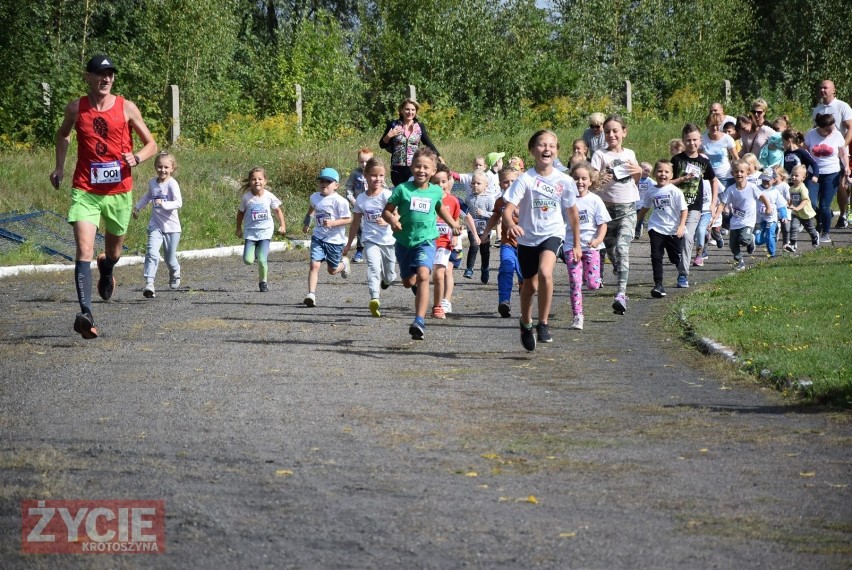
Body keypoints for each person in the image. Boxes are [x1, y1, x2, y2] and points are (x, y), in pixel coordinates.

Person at [50, 54, 158, 339]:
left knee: (114, 253)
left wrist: (137, 158)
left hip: (119, 192)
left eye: (110, 74)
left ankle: (106, 268)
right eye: (100, 73)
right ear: (88, 77)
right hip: (85, 190)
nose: (106, 78)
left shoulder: (126, 108)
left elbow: (152, 144)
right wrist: (60, 167)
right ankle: (86, 314)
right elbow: (63, 136)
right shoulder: (76, 108)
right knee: (83, 250)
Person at [502, 130, 581, 350]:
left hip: (552, 233)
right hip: (527, 237)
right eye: (541, 145)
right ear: (532, 150)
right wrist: (511, 224)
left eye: (551, 146)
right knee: (529, 285)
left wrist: (576, 243)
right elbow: (507, 210)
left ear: (557, 151)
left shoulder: (564, 180)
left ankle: (543, 323)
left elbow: (572, 213)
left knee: (546, 273)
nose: (547, 149)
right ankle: (526, 322)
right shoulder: (525, 179)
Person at [382, 147, 461, 340]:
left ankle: (419, 320)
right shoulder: (402, 189)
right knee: (409, 282)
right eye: (417, 166)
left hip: (426, 241)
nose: (421, 171)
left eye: (426, 167)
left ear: (433, 171)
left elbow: (440, 209)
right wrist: (393, 221)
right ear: (411, 167)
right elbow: (386, 211)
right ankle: (416, 288)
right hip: (403, 241)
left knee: (424, 275)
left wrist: (453, 224)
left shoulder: (435, 191)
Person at [591, 116, 643, 314]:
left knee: (622, 248)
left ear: (624, 132)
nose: (611, 135)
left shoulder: (630, 153)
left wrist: (638, 171)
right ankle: (620, 271)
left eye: (615, 131)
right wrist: (600, 177)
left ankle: (621, 293)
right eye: (607, 131)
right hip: (606, 210)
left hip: (628, 208)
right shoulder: (599, 155)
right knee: (612, 251)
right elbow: (592, 181)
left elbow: (636, 180)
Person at [343, 157, 397, 317]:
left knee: (389, 274)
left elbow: (397, 214)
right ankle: (374, 297)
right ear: (365, 176)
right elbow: (355, 223)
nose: (377, 179)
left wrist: (388, 220)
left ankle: (386, 281)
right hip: (370, 239)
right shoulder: (361, 199)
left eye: (381, 176)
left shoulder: (387, 195)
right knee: (373, 267)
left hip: (388, 240)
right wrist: (348, 244)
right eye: (374, 175)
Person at [564, 162, 609, 330]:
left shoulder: (595, 200)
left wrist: (598, 240)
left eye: (584, 178)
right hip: (571, 246)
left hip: (591, 247)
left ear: (591, 181)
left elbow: (603, 224)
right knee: (575, 283)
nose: (580, 182)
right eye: (576, 178)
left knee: (593, 284)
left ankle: (586, 276)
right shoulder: (567, 201)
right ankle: (577, 316)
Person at [671, 123, 717, 286]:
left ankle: (683, 274)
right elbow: (667, 182)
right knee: (673, 240)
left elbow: (713, 180)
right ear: (683, 141)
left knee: (687, 237)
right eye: (688, 140)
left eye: (695, 140)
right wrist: (681, 179)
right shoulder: (677, 160)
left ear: (700, 140)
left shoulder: (703, 162)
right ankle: (678, 259)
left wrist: (713, 204)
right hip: (675, 207)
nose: (692, 143)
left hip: (693, 208)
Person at [132, 151, 182, 298]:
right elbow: (148, 196)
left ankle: (175, 271)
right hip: (156, 224)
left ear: (172, 168)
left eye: (166, 167)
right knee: (152, 252)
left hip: (172, 227)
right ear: (155, 167)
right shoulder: (152, 183)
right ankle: (149, 283)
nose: (163, 170)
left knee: (169, 258)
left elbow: (178, 203)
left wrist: (164, 204)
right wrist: (138, 207)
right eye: (160, 167)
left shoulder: (172, 184)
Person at [636, 160, 688, 298]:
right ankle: (658, 285)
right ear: (654, 174)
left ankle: (682, 272)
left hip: (673, 229)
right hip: (656, 227)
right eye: (659, 171)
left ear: (671, 175)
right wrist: (635, 221)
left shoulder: (675, 191)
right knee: (656, 256)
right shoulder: (651, 190)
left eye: (666, 172)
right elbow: (645, 207)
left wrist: (681, 226)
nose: (662, 174)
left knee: (674, 257)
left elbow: (684, 210)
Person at [302, 168, 351, 306]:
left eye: (328, 182)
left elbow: (348, 219)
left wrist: (333, 223)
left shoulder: (340, 201)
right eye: (322, 181)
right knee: (314, 265)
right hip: (318, 237)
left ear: (336, 185)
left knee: (332, 270)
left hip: (334, 241)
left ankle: (344, 264)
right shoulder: (314, 197)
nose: (324, 184)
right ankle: (311, 294)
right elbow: (311, 209)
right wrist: (307, 223)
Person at [713, 159, 772, 271]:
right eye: (736, 172)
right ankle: (740, 261)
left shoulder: (752, 187)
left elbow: (762, 196)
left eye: (741, 171)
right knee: (733, 245)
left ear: (747, 173)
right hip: (735, 221)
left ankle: (750, 240)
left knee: (744, 240)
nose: (739, 174)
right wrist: (716, 216)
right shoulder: (731, 190)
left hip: (748, 221)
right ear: (732, 174)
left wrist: (768, 207)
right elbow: (722, 203)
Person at [481, 167, 522, 318]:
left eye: (513, 181)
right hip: (508, 243)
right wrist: (486, 233)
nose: (510, 184)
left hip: (526, 245)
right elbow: (495, 217)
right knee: (506, 267)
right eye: (506, 181)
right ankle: (504, 301)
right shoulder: (500, 201)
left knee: (524, 277)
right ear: (500, 184)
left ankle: (525, 297)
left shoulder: (526, 198)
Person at [236, 167, 286, 292]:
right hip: (251, 232)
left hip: (265, 231)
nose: (257, 181)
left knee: (262, 259)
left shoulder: (269, 196)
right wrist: (238, 228)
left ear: (265, 181)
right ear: (249, 181)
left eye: (260, 179)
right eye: (253, 179)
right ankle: (256, 250)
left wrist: (282, 225)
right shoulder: (246, 198)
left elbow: (277, 211)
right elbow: (240, 213)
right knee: (248, 260)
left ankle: (263, 282)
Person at [812, 80, 852, 227]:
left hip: (839, 152)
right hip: (821, 154)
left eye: (825, 87)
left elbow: (850, 129)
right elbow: (815, 131)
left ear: (833, 90)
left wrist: (842, 147)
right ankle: (824, 213)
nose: (822, 90)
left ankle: (842, 215)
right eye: (821, 87)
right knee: (821, 184)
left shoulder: (842, 106)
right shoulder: (817, 109)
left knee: (841, 184)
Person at [429, 163, 466, 319]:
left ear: (448, 181)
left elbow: (456, 219)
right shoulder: (428, 199)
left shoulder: (453, 201)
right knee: (424, 273)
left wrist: (455, 236)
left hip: (446, 242)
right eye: (436, 182)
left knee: (444, 272)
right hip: (429, 242)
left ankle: (445, 301)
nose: (440, 185)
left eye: (443, 182)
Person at [379, 98, 441, 186]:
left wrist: (440, 159)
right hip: (398, 167)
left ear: (416, 112)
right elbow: (382, 144)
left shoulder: (419, 126)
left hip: (414, 166)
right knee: (400, 191)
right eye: (407, 109)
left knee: (413, 190)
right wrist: (389, 135)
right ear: (401, 110)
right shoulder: (393, 124)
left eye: (413, 110)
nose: (410, 112)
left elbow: (428, 144)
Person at [462, 171, 495, 283]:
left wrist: (484, 213)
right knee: (474, 245)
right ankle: (469, 269)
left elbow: (494, 215)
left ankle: (485, 269)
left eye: (478, 183)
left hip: (485, 229)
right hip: (473, 229)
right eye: (473, 183)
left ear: (486, 185)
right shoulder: (468, 198)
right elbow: (466, 214)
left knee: (484, 251)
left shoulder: (489, 199)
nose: (475, 185)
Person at [344, 148, 373, 263]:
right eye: (361, 161)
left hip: (372, 205)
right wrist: (352, 199)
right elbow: (348, 187)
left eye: (367, 162)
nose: (364, 164)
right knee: (360, 227)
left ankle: (375, 248)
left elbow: (382, 185)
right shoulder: (355, 174)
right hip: (359, 205)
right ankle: (360, 250)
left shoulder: (374, 172)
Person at [785, 165, 821, 252]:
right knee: (794, 227)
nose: (793, 177)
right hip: (796, 213)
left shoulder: (803, 188)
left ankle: (815, 236)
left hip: (805, 212)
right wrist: (789, 204)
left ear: (803, 178)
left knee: (809, 228)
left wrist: (797, 208)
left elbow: (805, 200)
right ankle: (793, 244)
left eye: (796, 175)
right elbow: (791, 199)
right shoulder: (791, 188)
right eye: (792, 175)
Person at [752, 168, 787, 258]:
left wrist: (784, 215)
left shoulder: (775, 192)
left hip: (771, 218)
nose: (765, 182)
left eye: (768, 180)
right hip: (759, 218)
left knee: (769, 236)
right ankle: (771, 237)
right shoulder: (756, 189)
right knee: (757, 240)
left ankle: (772, 254)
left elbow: (781, 205)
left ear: (774, 180)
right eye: (763, 180)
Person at [702, 113, 739, 188]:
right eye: (712, 125)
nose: (715, 128)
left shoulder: (727, 139)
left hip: (725, 177)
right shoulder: (702, 139)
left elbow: (736, 158)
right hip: (708, 177)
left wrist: (737, 171)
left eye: (717, 125)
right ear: (707, 126)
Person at [634, 161, 655, 239]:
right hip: (633, 202)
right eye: (645, 170)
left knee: (639, 217)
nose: (647, 173)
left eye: (649, 172)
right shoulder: (634, 178)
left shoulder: (650, 182)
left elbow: (656, 188)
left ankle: (637, 232)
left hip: (642, 203)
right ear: (639, 169)